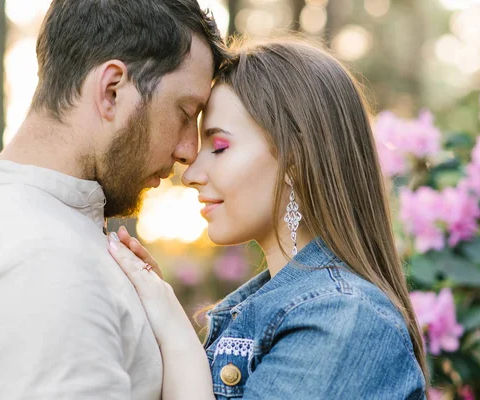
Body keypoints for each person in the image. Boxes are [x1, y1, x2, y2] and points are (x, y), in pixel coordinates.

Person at [0, 1, 227, 398]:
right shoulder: (44, 259)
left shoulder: (28, 223)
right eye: (185, 112)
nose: (188, 150)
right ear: (112, 90)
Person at [108, 38, 429, 400]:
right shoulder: (269, 312)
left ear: (294, 159)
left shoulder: (342, 317)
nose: (190, 174)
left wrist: (173, 326)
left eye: (220, 147)